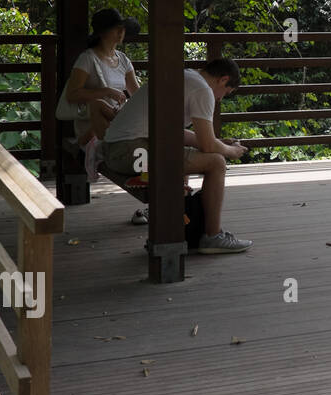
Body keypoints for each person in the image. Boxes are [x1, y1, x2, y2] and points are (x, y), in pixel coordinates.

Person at [103, 58, 252, 255]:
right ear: (223, 80)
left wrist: (221, 144)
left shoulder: (185, 77)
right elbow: (208, 144)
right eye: (226, 93)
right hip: (130, 152)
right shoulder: (202, 90)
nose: (220, 99)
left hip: (116, 150)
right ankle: (213, 237)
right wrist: (231, 151)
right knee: (217, 162)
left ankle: (186, 225)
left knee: (182, 151)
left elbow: (177, 134)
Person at [63, 9, 145, 222]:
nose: (120, 33)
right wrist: (106, 92)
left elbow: (137, 93)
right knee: (102, 107)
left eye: (122, 29)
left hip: (116, 119)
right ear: (101, 32)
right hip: (93, 121)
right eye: (115, 29)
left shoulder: (123, 60)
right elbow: (73, 94)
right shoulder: (87, 58)